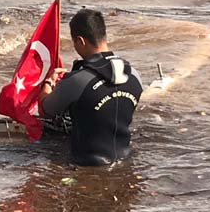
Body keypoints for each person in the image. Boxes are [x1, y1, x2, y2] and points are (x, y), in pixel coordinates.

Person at [39, 9, 143, 166]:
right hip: (125, 159)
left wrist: (49, 82)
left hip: (87, 165)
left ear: (80, 41)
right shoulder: (135, 75)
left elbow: (44, 110)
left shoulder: (77, 80)